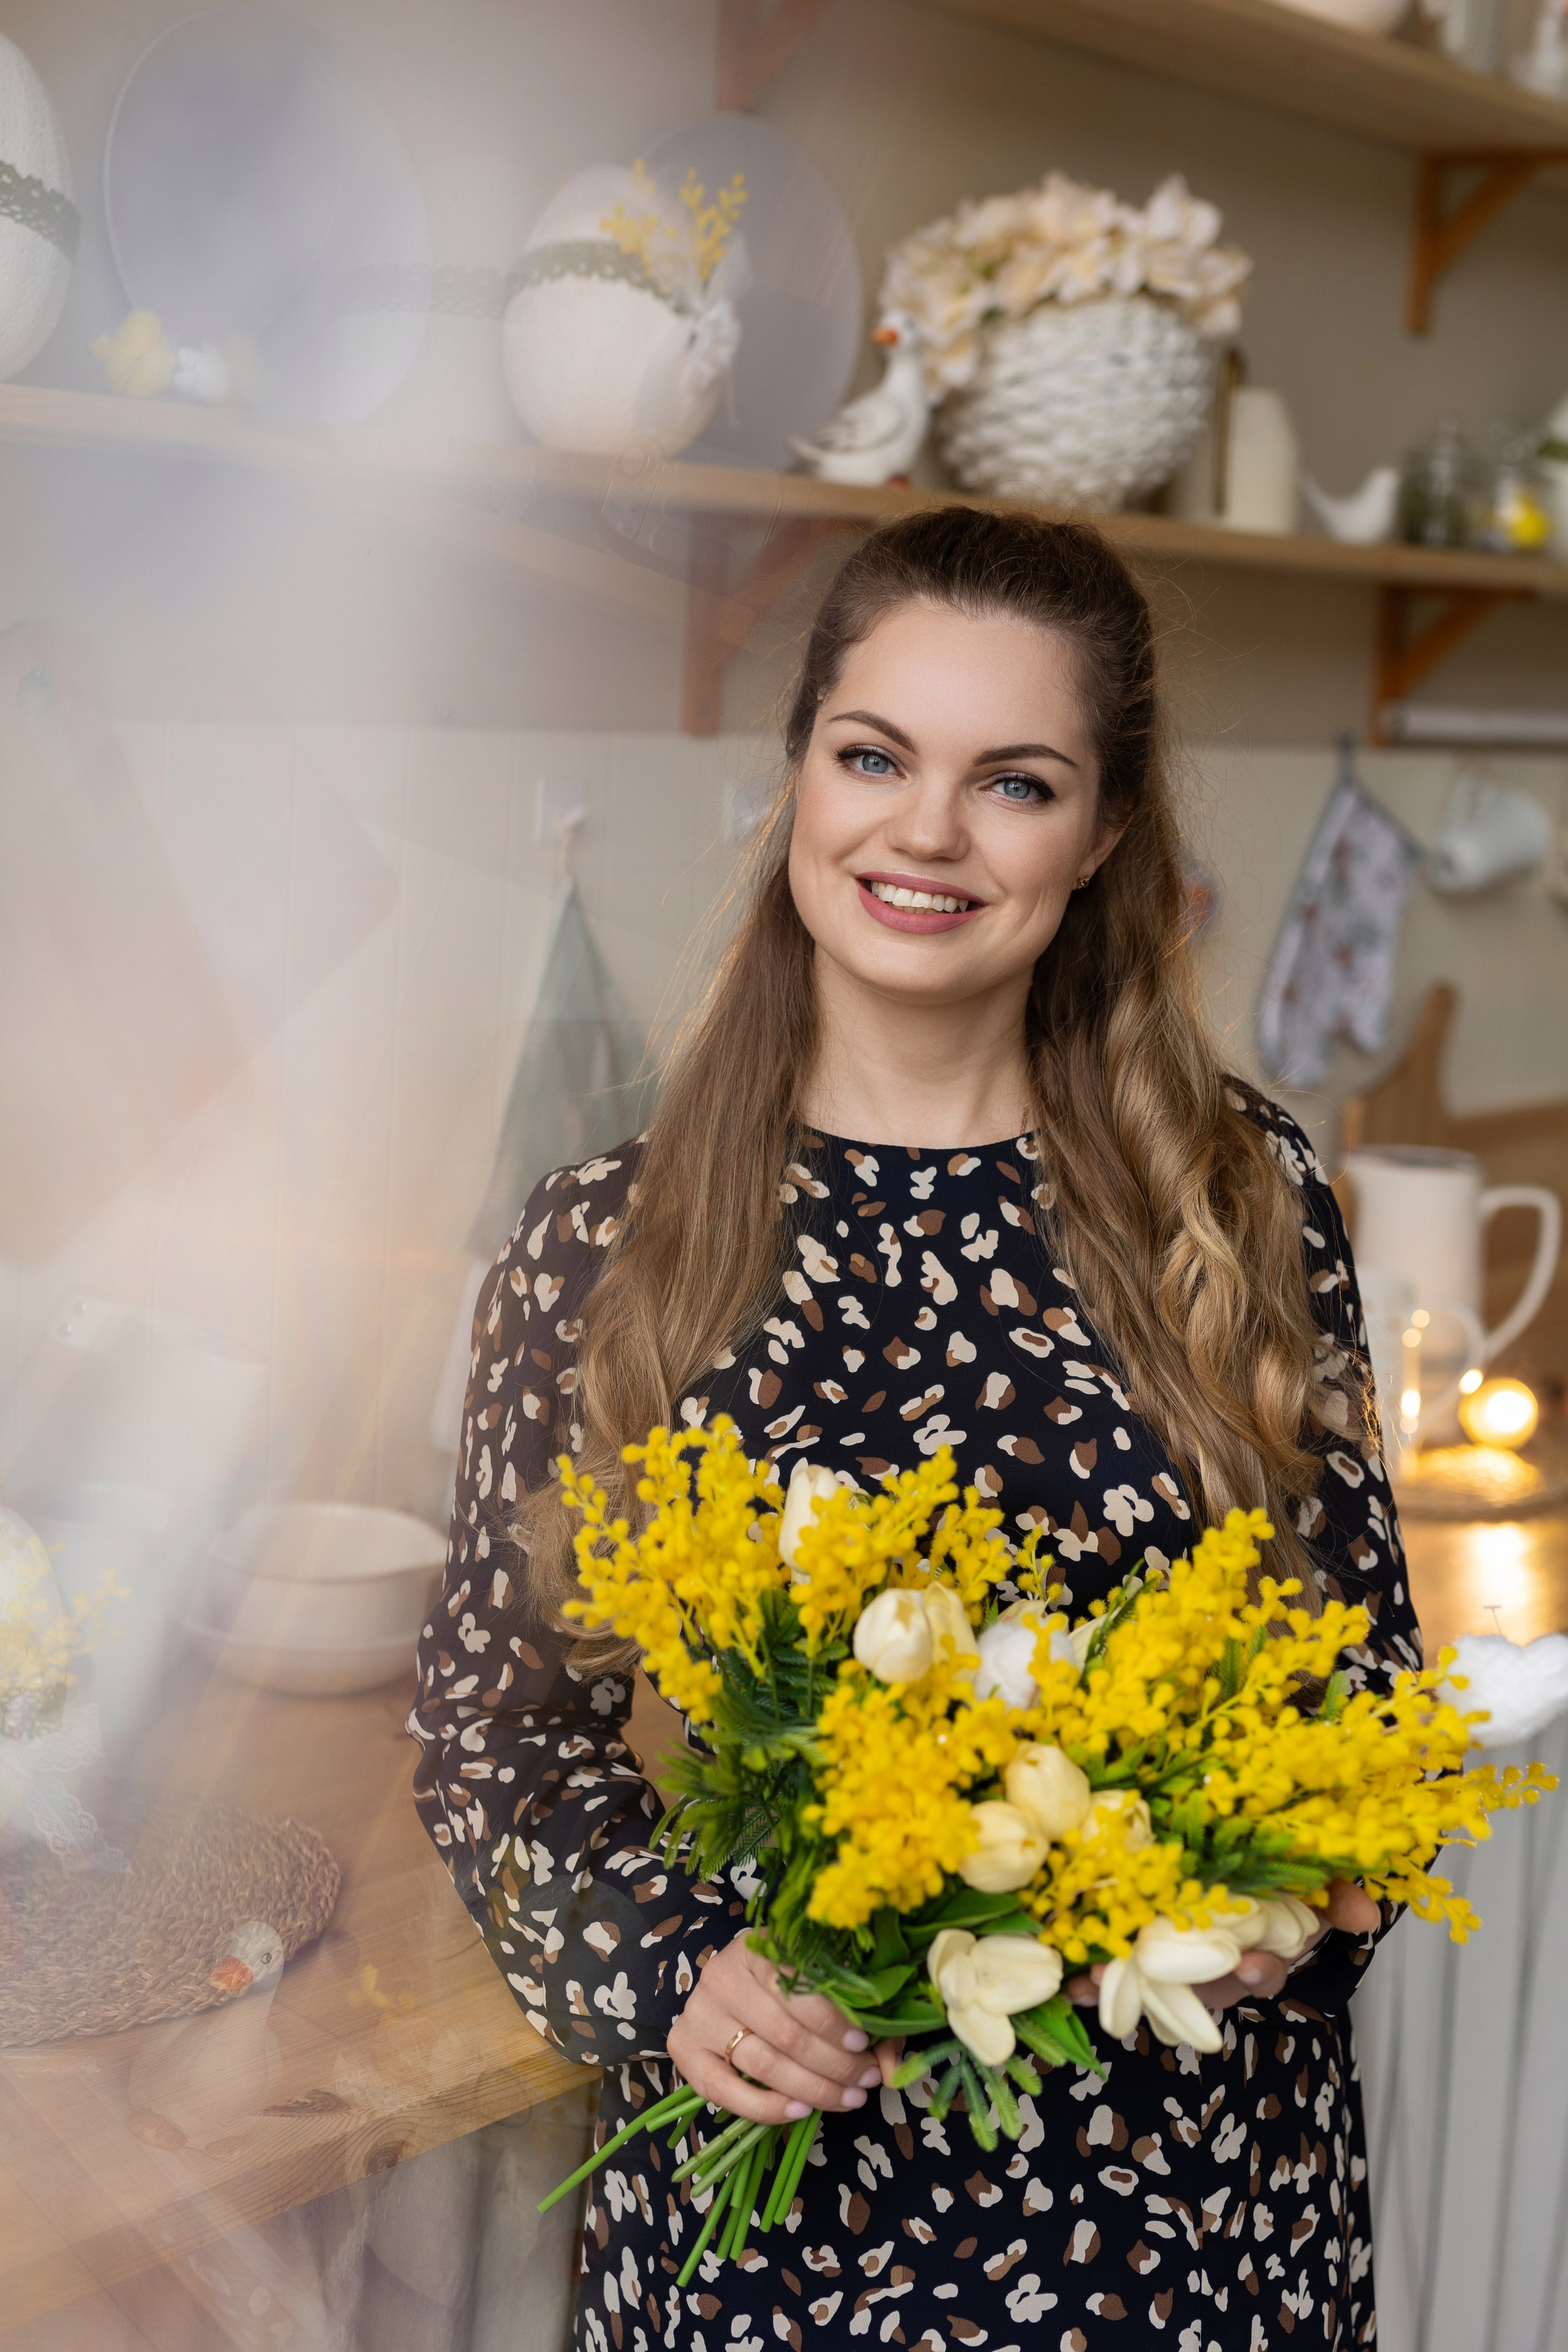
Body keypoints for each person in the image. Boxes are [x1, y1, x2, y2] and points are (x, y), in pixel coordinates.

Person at [410, 509, 1414, 2352]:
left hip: (1182, 2231)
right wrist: (666, 1976)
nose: (926, 832)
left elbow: (1364, 1712)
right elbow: (498, 1735)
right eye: (874, 756)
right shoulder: (597, 1247)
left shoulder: (1239, 1203)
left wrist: (1301, 1897)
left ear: (1104, 833)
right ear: (800, 769)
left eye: (1012, 782)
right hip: (775, 2242)